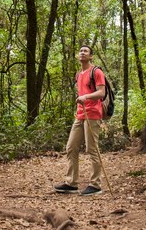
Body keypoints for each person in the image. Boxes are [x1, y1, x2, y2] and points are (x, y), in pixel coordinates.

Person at [54, 45, 105, 196]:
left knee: (92, 149)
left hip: (93, 114)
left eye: (86, 51)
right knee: (71, 147)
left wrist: (86, 97)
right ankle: (71, 183)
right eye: (80, 51)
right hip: (80, 115)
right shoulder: (78, 74)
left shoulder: (96, 72)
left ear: (91, 56)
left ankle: (96, 185)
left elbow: (101, 93)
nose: (82, 53)